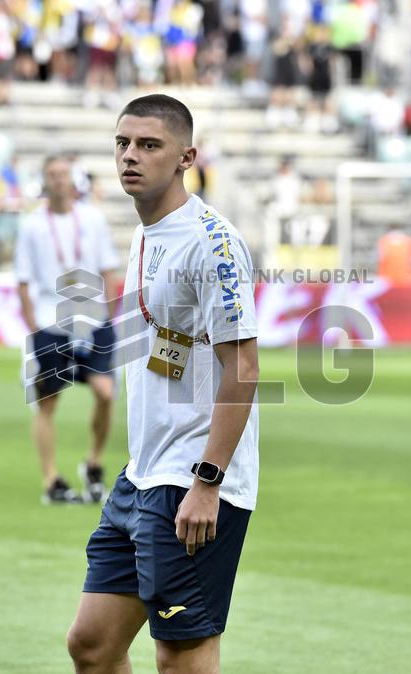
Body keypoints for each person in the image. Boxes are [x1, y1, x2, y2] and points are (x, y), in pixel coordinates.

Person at [67, 94, 260, 674]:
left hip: (192, 482)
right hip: (141, 475)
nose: (130, 156)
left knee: (180, 658)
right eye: (122, 143)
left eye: (149, 145)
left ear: (186, 157)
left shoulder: (212, 243)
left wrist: (207, 481)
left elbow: (243, 369)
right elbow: (166, 350)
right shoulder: (145, 231)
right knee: (93, 646)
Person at [16, 155, 121, 505]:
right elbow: (23, 279)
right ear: (45, 181)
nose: (59, 180)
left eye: (63, 174)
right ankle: (51, 479)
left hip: (93, 319)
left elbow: (108, 267)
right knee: (47, 403)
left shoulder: (91, 219)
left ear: (73, 179)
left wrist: (108, 312)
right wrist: (33, 325)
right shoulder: (32, 225)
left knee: (106, 393)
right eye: (52, 175)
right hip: (50, 320)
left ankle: (93, 462)